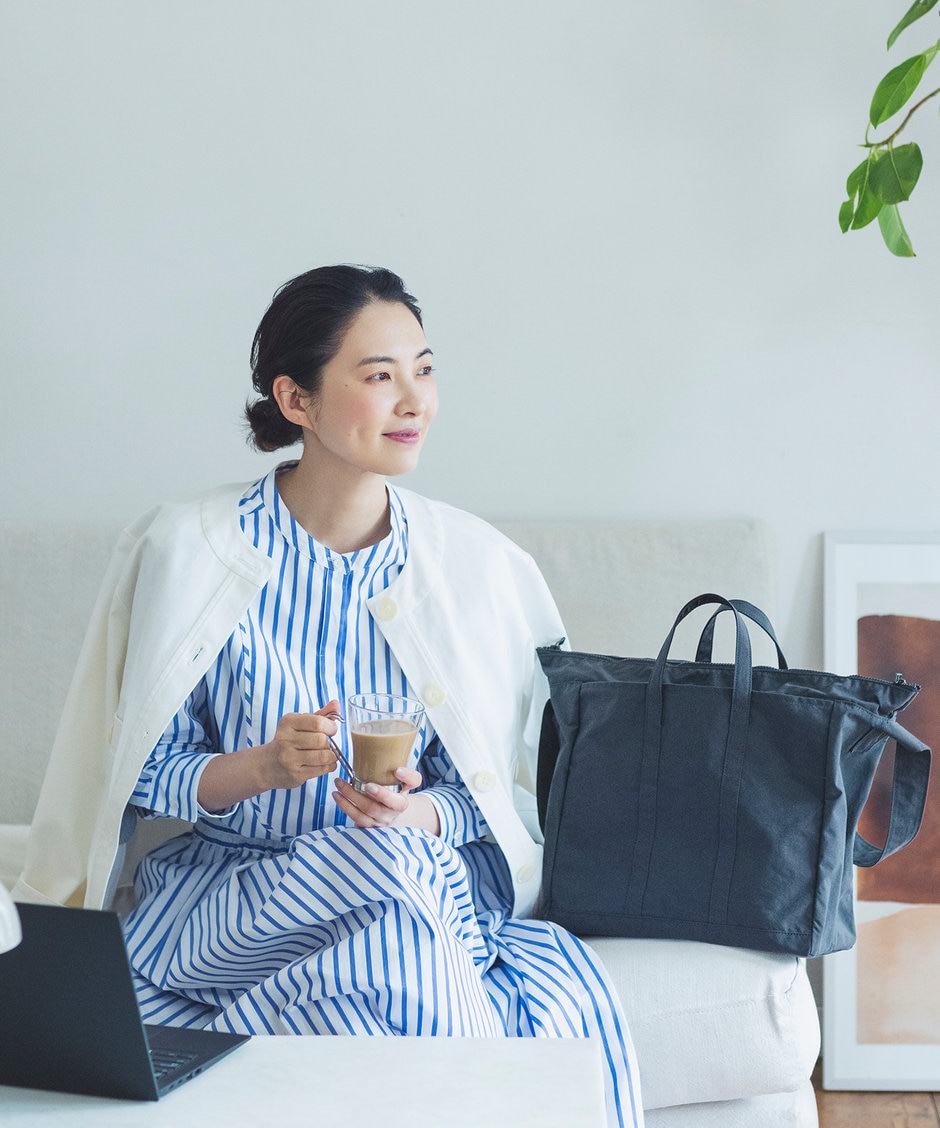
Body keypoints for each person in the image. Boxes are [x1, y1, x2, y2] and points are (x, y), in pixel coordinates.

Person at [15, 265, 643, 1127]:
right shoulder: (188, 551)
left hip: (413, 890)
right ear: (296, 400)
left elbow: (515, 795)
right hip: (235, 905)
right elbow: (137, 770)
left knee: (399, 878)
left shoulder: (479, 568)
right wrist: (262, 767)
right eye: (380, 375)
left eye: (424, 369)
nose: (414, 401)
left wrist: (419, 815)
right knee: (399, 895)